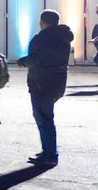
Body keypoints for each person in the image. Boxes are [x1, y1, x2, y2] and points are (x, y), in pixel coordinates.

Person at [17, 10, 73, 166]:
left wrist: (22, 61)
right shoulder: (64, 38)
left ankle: (49, 153)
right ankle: (48, 151)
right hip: (58, 83)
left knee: (44, 119)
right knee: (47, 117)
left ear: (43, 22)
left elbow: (36, 59)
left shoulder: (41, 39)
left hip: (41, 84)